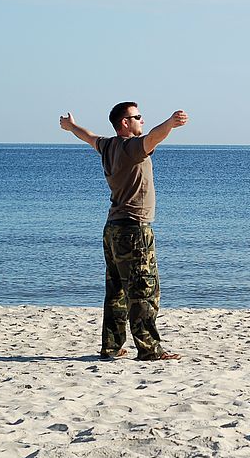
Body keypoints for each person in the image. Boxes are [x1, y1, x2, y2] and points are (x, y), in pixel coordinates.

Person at [59, 102, 188, 361]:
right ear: (125, 123)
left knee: (117, 290)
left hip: (114, 230)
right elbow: (154, 136)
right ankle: (149, 349)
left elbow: (88, 137)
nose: (141, 119)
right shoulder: (131, 148)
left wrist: (72, 126)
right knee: (143, 291)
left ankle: (112, 346)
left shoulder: (108, 146)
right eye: (137, 116)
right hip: (134, 229)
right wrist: (171, 124)